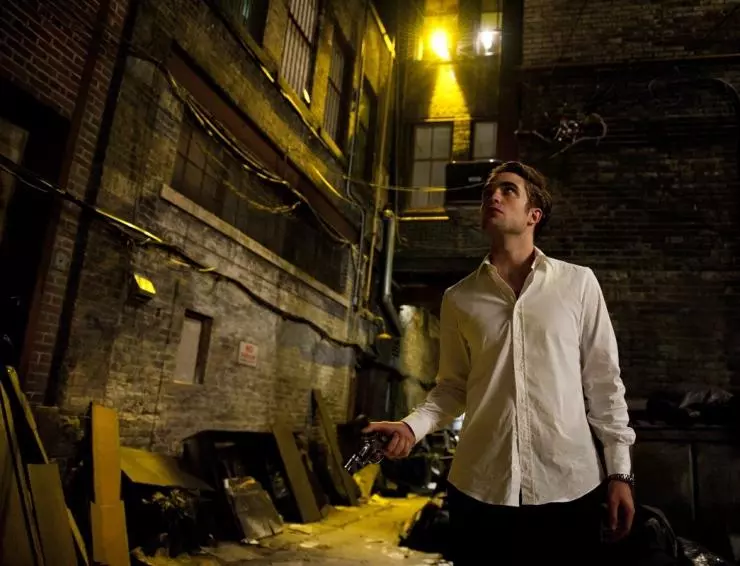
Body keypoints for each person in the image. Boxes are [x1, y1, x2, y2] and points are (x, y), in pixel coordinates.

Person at [364, 161, 636, 565]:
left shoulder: (578, 284)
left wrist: (619, 473)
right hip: (481, 490)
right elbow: (452, 387)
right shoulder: (459, 299)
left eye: (508, 190)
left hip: (569, 486)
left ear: (533, 215)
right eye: (488, 192)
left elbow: (604, 383)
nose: (493, 196)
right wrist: (411, 427)